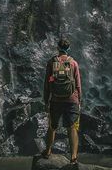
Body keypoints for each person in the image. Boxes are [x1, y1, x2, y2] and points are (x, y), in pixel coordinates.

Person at [43, 37, 82, 166]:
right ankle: (74, 156)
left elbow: (47, 83)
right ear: (68, 49)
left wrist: (46, 99)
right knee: (72, 128)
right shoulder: (73, 63)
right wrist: (79, 99)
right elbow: (78, 84)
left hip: (55, 99)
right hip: (72, 100)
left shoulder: (51, 62)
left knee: (52, 126)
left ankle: (48, 151)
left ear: (58, 48)